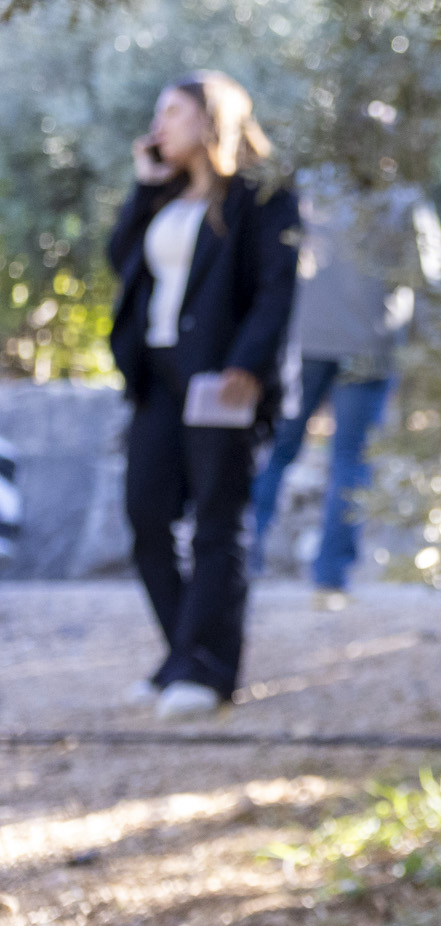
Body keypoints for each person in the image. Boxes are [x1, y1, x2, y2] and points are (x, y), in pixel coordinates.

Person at [107, 71, 300, 720]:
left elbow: (277, 287)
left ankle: (207, 670)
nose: (158, 126)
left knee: (218, 522)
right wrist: (144, 184)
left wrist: (248, 363)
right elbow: (121, 262)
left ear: (209, 119)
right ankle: (183, 655)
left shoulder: (262, 196)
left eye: (172, 113)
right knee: (145, 517)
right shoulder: (162, 196)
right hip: (156, 378)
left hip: (222, 377)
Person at [246, 155, 441, 606]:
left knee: (278, 451)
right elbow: (430, 280)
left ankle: (243, 558)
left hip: (307, 343)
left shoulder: (309, 191)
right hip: (367, 349)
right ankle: (330, 579)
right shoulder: (405, 201)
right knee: (350, 463)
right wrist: (431, 352)